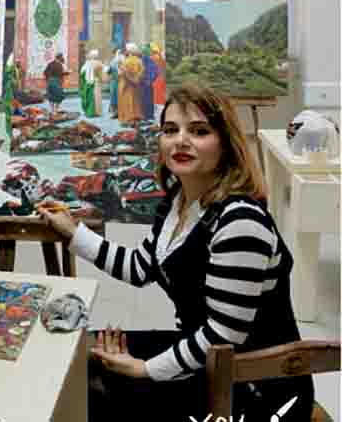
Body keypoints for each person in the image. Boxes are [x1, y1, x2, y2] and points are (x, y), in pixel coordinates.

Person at [39, 86, 314, 422]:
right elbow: (140, 268)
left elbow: (225, 334)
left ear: (226, 144)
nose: (180, 141)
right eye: (170, 130)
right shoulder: (178, 203)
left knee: (95, 387)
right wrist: (73, 232)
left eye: (199, 131)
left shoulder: (240, 221)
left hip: (255, 386)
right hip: (205, 356)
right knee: (80, 356)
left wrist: (144, 369)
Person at [117, 42, 144, 124]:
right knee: (135, 100)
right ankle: (136, 117)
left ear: (129, 51)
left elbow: (122, 73)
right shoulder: (139, 61)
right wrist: (136, 79)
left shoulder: (126, 61)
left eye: (126, 49)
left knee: (127, 101)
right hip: (136, 84)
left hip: (126, 84)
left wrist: (120, 69)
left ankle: (128, 118)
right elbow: (141, 72)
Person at [79, 49, 104, 117]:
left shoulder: (87, 63)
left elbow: (82, 73)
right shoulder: (99, 63)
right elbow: (101, 73)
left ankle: (88, 111)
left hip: (87, 82)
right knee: (96, 97)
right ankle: (96, 112)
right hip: (96, 82)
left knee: (89, 96)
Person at [139, 43, 159, 122]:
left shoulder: (143, 60)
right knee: (149, 99)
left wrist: (144, 79)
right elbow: (156, 72)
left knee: (144, 99)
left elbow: (141, 72)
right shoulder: (151, 60)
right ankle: (150, 115)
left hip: (143, 83)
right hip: (149, 83)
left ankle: (145, 115)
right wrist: (151, 80)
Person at [106, 47, 121, 119]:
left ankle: (117, 113)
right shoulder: (116, 60)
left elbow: (109, 71)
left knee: (115, 96)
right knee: (116, 97)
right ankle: (117, 112)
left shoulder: (114, 61)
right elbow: (109, 71)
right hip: (117, 81)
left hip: (117, 81)